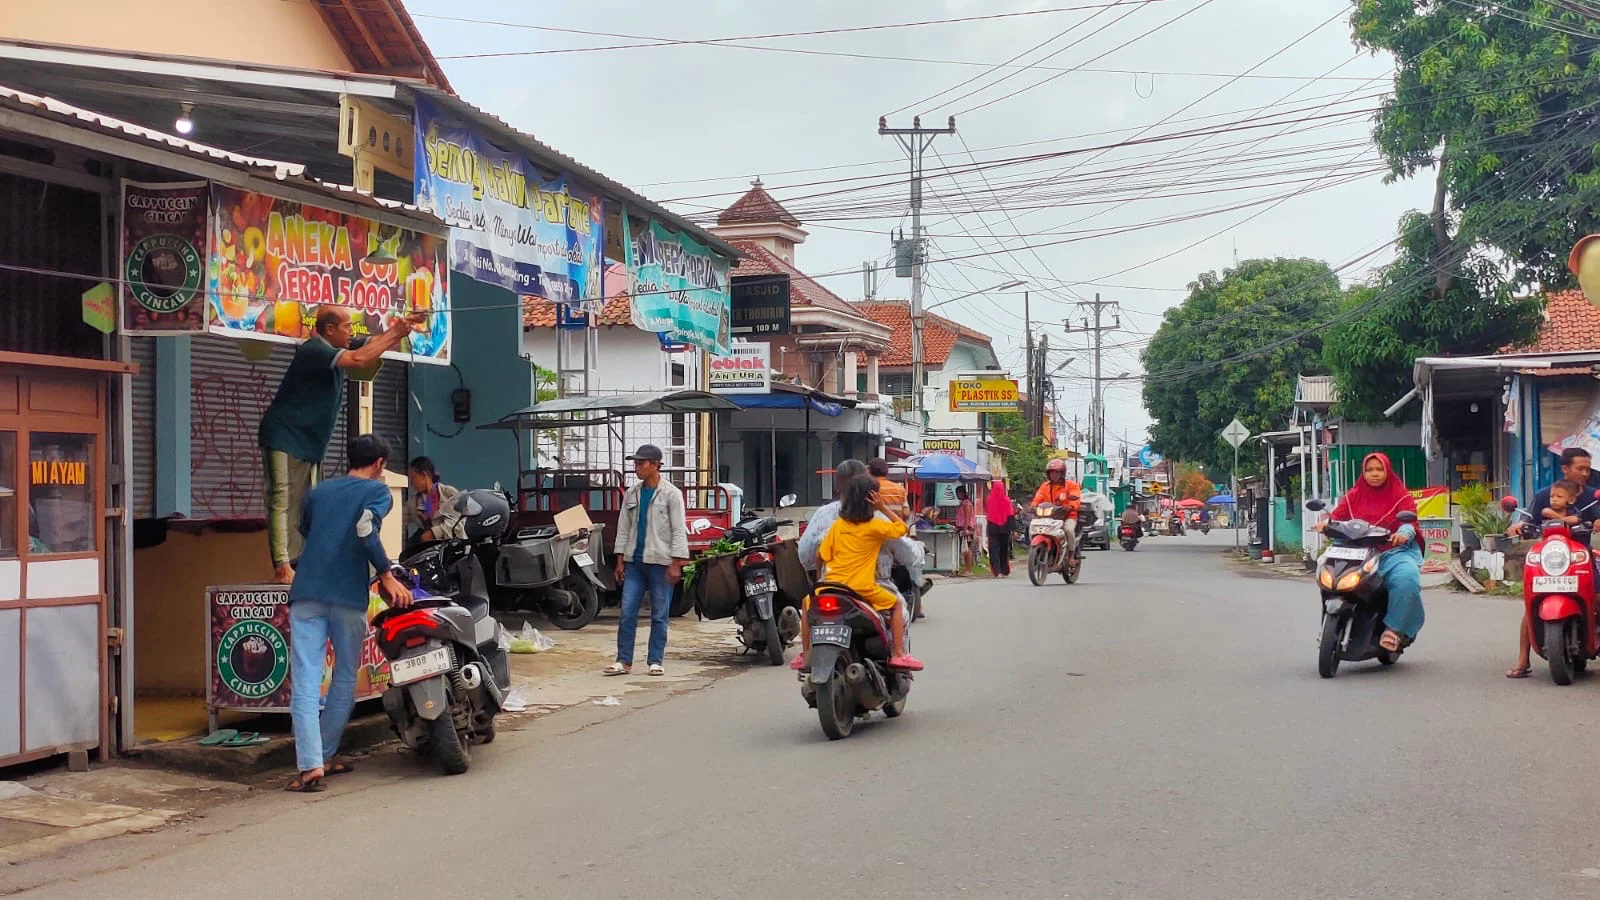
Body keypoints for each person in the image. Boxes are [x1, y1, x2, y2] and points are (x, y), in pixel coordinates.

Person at [284, 434, 412, 793]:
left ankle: (313, 764)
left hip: (307, 592)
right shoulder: (377, 492)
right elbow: (364, 530)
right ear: (379, 464)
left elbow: (306, 530)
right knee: (343, 677)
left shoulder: (319, 492)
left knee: (307, 680)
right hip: (348, 595)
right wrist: (386, 574)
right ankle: (322, 756)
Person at [260, 307, 422, 585]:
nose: (351, 331)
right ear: (329, 330)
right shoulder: (314, 349)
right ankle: (282, 566)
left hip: (310, 442)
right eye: (347, 327)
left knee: (306, 504)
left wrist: (401, 327)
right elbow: (360, 359)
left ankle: (303, 561)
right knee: (282, 499)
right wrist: (396, 332)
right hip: (284, 436)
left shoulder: (337, 347)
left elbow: (370, 347)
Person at [797, 460, 923, 671]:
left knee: (807, 605)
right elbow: (904, 541)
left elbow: (812, 556)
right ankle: (898, 654)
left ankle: (805, 653)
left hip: (831, 586)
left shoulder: (833, 522)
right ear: (871, 495)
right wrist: (881, 507)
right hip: (867, 588)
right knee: (897, 604)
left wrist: (819, 578)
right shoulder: (877, 522)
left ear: (838, 486)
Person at [1315, 452, 1423, 654]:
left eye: (1379, 469)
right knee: (1327, 573)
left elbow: (1410, 522)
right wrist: (1325, 524)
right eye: (1369, 470)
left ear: (1388, 471)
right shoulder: (1353, 495)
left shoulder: (1400, 495)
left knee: (1407, 579)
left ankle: (1394, 629)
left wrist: (1403, 533)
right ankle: (1328, 622)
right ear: (1363, 472)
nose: (1374, 474)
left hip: (1391, 552)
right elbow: (1337, 517)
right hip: (1355, 551)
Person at [1505, 448, 1600, 677]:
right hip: (1552, 556)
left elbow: (1597, 515)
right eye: (1580, 468)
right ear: (1565, 468)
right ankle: (1522, 660)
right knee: (1531, 604)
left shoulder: (1591, 495)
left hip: (1581, 554)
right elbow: (1527, 518)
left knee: (1598, 596)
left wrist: (1597, 522)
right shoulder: (1545, 494)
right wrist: (1517, 526)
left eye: (1588, 468)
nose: (1585, 473)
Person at [605, 445, 688, 677]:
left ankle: (655, 660)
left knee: (660, 613)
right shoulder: (632, 493)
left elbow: (678, 530)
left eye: (641, 464)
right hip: (635, 563)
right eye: (636, 464)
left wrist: (676, 563)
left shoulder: (671, 494)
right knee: (627, 611)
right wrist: (620, 560)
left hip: (661, 563)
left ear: (655, 465)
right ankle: (624, 660)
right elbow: (624, 528)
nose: (637, 468)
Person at [404, 456, 462, 548]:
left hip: (452, 545)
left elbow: (459, 520)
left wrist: (434, 533)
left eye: (413, 477)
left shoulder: (448, 493)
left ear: (424, 475)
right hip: (430, 549)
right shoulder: (413, 503)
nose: (411, 483)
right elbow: (400, 518)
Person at [1030, 458, 1083, 551]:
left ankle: (1071, 554)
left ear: (1062, 473)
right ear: (1048, 474)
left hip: (1067, 515)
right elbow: (1038, 497)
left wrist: (1070, 506)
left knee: (1068, 530)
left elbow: (1076, 498)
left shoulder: (1071, 485)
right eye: (1052, 472)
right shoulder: (1044, 486)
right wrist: (1033, 506)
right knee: (1035, 527)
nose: (1054, 475)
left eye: (1056, 472)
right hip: (1048, 516)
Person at [985, 480, 1014, 577]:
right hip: (1004, 527)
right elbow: (1010, 514)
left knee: (993, 550)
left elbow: (987, 512)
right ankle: (1004, 570)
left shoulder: (989, 499)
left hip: (993, 526)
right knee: (1004, 549)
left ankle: (997, 572)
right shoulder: (1006, 500)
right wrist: (1011, 529)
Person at [954, 485, 976, 575]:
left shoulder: (966, 503)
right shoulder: (963, 502)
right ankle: (967, 568)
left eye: (958, 493)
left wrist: (965, 529)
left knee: (968, 548)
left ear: (962, 493)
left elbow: (967, 517)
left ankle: (969, 569)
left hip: (967, 528)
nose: (957, 495)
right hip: (963, 528)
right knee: (965, 548)